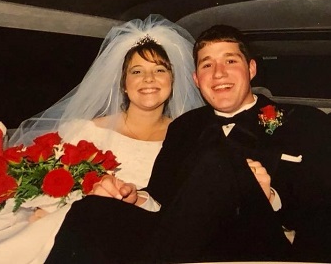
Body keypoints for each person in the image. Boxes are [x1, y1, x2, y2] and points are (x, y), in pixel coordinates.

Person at [0, 15, 204, 264]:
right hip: (67, 217)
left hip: (134, 232)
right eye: (137, 71)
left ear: (172, 81)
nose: (148, 79)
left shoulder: (188, 134)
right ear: (123, 84)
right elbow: (52, 178)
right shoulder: (89, 130)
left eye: (159, 70)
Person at [45, 24, 331, 263]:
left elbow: (321, 208)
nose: (218, 73)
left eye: (230, 61)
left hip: (256, 246)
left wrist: (270, 198)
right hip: (185, 243)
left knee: (219, 163)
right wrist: (134, 196)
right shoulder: (184, 127)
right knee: (91, 209)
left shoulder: (304, 122)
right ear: (196, 79)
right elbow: (162, 195)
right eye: (207, 65)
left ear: (251, 69)